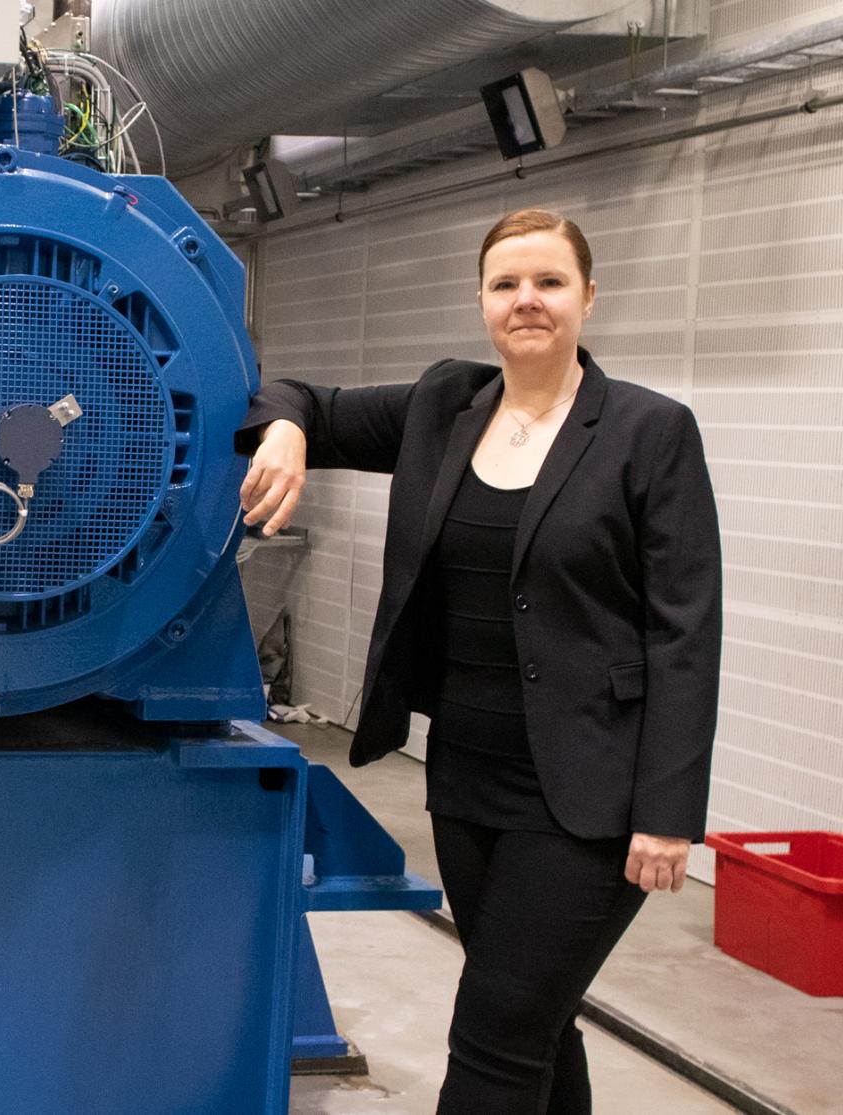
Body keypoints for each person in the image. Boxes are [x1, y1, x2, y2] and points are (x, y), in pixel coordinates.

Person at [235, 208, 720, 1115]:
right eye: (506, 285)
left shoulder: (649, 432)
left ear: (588, 297)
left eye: (548, 283)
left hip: (588, 795)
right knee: (538, 1018)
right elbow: (302, 398)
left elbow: (686, 630)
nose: (526, 301)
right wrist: (290, 431)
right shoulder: (442, 405)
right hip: (469, 780)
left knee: (493, 1037)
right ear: (482, 301)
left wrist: (668, 813)